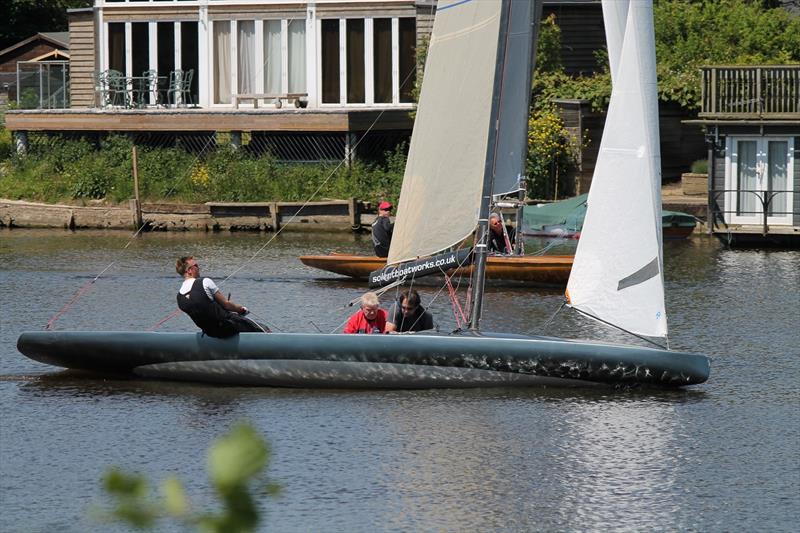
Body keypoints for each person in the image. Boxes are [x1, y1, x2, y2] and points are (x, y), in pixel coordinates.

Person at [175, 256, 269, 338]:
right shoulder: (205, 281)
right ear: (189, 270)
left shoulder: (179, 298)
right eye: (196, 265)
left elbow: (204, 310)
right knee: (264, 328)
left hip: (211, 333)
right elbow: (226, 305)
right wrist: (241, 310)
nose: (199, 267)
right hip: (228, 327)